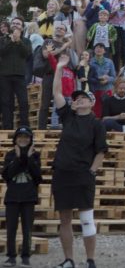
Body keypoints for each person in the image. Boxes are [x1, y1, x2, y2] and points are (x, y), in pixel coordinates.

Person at [50, 54, 107, 268]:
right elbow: (56, 92)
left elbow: (101, 150)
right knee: (64, 219)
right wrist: (60, 68)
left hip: (83, 175)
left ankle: (90, 260)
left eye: (82, 97)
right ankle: (69, 260)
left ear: (91, 102)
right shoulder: (68, 117)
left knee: (86, 220)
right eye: (76, 98)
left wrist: (92, 171)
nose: (78, 99)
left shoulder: (96, 124)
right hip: (63, 173)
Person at [3, 126, 42, 267]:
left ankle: (26, 256)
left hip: (29, 197)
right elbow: (7, 175)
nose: (23, 139)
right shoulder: (10, 155)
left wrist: (29, 158)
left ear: (31, 139)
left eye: (26, 137)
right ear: (15, 139)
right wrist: (19, 158)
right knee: (11, 228)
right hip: (12, 197)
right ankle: (11, 257)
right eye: (20, 136)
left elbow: (38, 176)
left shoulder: (35, 155)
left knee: (27, 229)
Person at [0, 18, 32, 130]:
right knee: (6, 103)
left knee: (23, 102)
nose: (15, 25)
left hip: (20, 75)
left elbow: (27, 54)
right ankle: (7, 129)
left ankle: (24, 128)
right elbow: (2, 52)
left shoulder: (26, 41)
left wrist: (18, 41)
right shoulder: (3, 39)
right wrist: (11, 41)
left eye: (18, 24)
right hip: (4, 75)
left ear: (22, 27)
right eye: (13, 23)